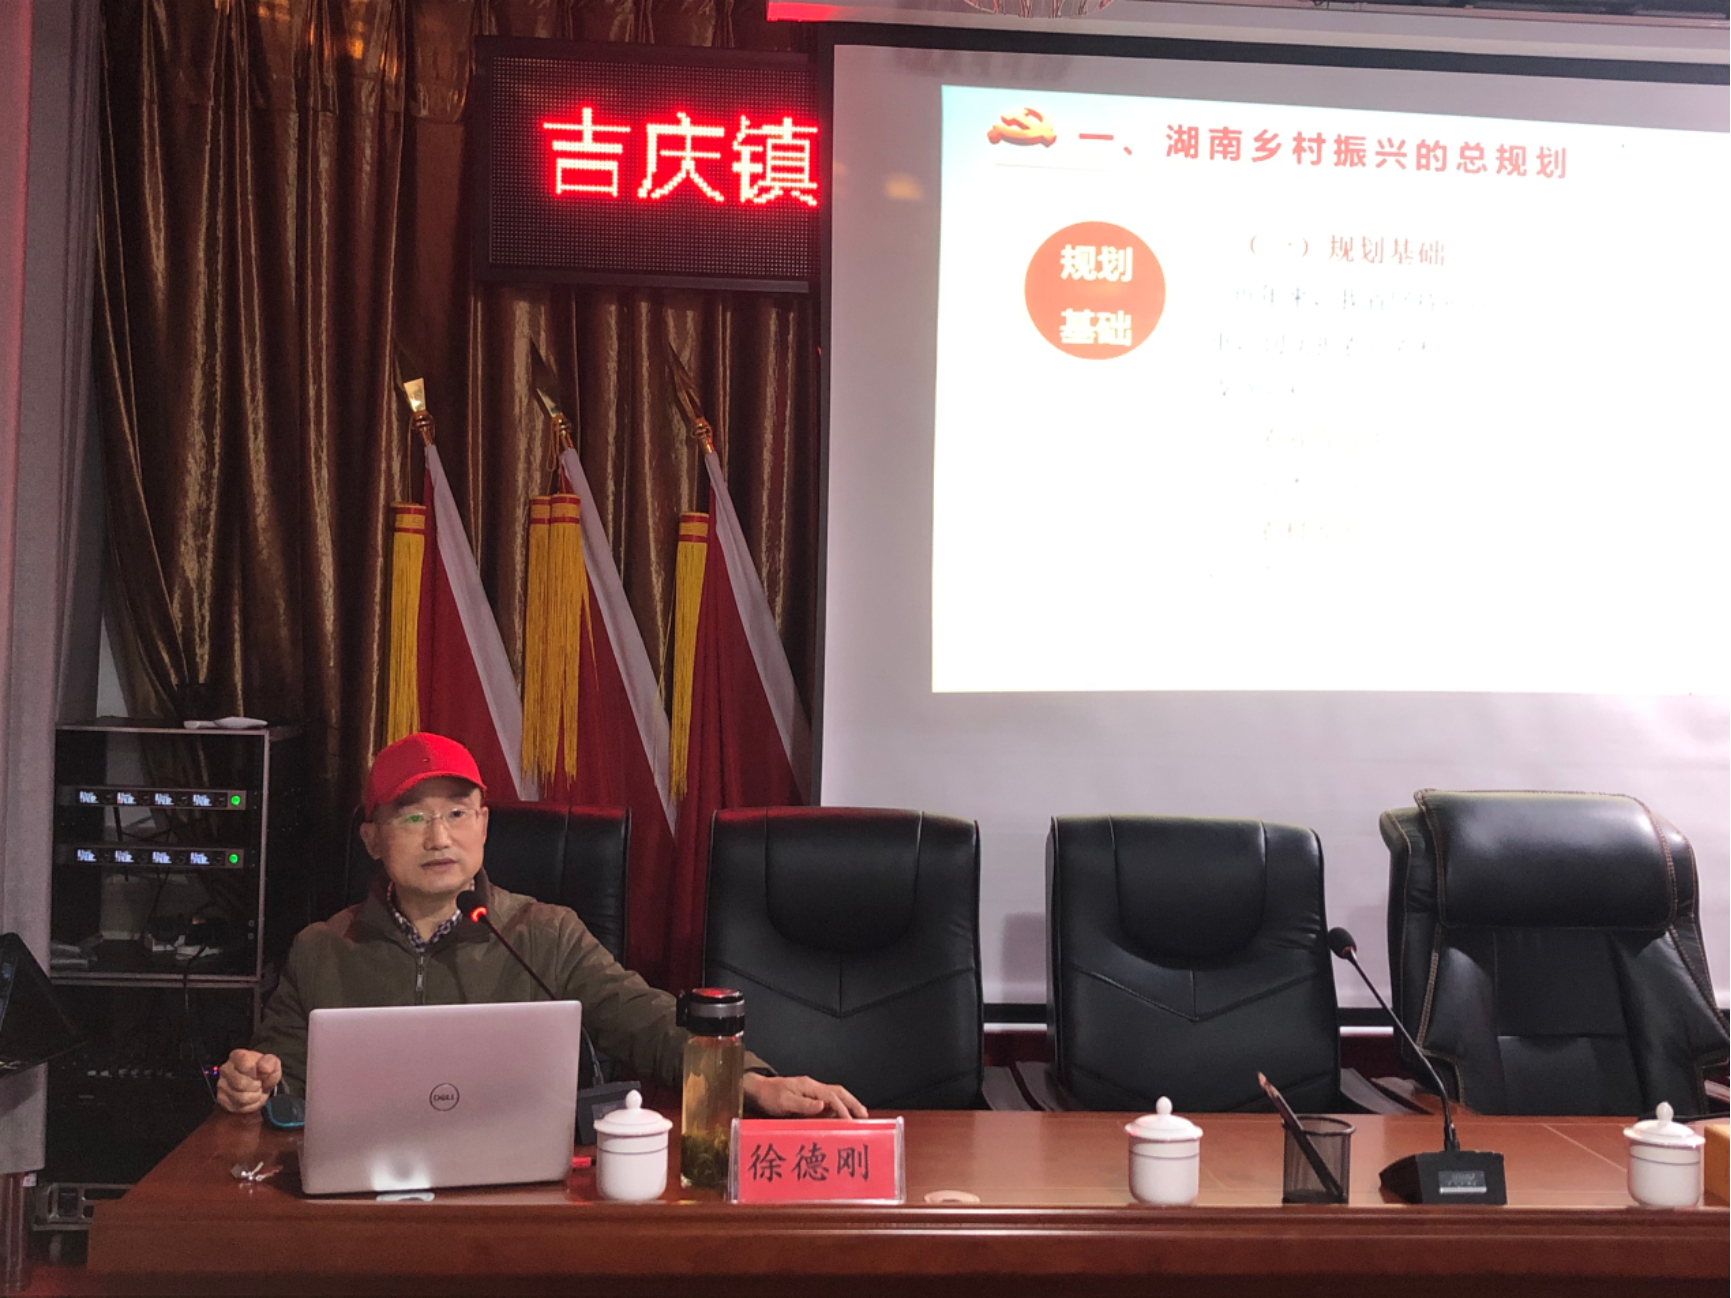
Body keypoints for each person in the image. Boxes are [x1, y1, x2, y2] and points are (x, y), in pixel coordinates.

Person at [216, 732, 866, 1120]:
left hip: (513, 1196)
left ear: (484, 825)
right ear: (372, 838)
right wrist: (249, 1082)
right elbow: (276, 1077)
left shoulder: (542, 934)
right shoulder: (322, 950)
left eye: (458, 814)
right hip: (368, 1202)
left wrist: (746, 1079)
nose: (439, 837)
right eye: (413, 817)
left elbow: (645, 1020)